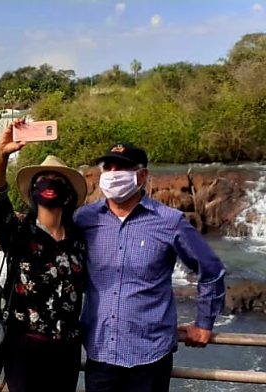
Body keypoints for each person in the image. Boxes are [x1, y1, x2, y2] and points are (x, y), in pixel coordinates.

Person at [73, 143, 226, 392]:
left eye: (120, 167)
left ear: (142, 175)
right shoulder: (85, 219)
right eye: (107, 167)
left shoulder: (169, 221)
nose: (112, 174)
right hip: (100, 352)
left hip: (150, 356)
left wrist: (204, 322)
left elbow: (211, 269)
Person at [0, 119, 88, 392]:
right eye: (43, 179)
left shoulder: (79, 240)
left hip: (67, 350)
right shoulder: (19, 234)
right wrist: (2, 154)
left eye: (57, 180)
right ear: (33, 192)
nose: (49, 184)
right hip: (25, 348)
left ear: (68, 195)